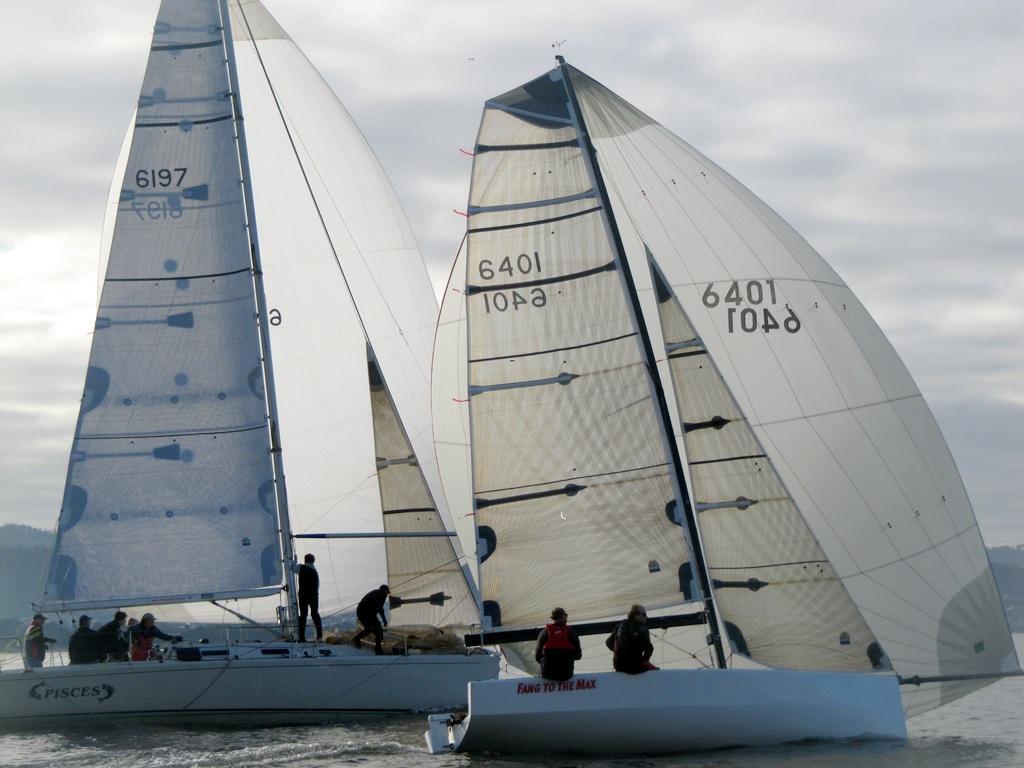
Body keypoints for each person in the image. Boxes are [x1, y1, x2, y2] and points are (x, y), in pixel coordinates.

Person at [605, 604, 658, 674]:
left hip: (619, 667)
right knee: (657, 671)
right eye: (644, 615)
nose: (646, 617)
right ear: (636, 615)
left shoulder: (619, 626)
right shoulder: (642, 628)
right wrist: (644, 660)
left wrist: (619, 652)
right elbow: (649, 648)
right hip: (635, 667)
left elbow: (608, 642)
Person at [534, 607, 582, 681]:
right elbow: (578, 656)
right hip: (566, 675)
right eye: (566, 615)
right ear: (563, 616)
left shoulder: (543, 633)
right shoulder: (571, 633)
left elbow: (537, 657)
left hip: (547, 675)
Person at [352, 585, 390, 655]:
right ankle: (356, 639)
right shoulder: (377, 594)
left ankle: (378, 650)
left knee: (379, 631)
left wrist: (384, 620)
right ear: (382, 591)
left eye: (387, 593)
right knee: (370, 628)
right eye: (386, 592)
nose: (386, 594)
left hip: (371, 613)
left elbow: (380, 608)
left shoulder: (383, 595)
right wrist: (384, 620)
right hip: (362, 612)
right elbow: (379, 608)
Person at [292, 553, 322, 643]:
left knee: (303, 615)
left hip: (303, 595)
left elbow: (291, 568)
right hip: (314, 595)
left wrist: (295, 561)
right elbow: (317, 585)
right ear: (313, 561)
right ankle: (319, 636)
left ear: (305, 560)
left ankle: (302, 638)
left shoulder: (301, 568)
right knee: (315, 614)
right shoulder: (315, 571)